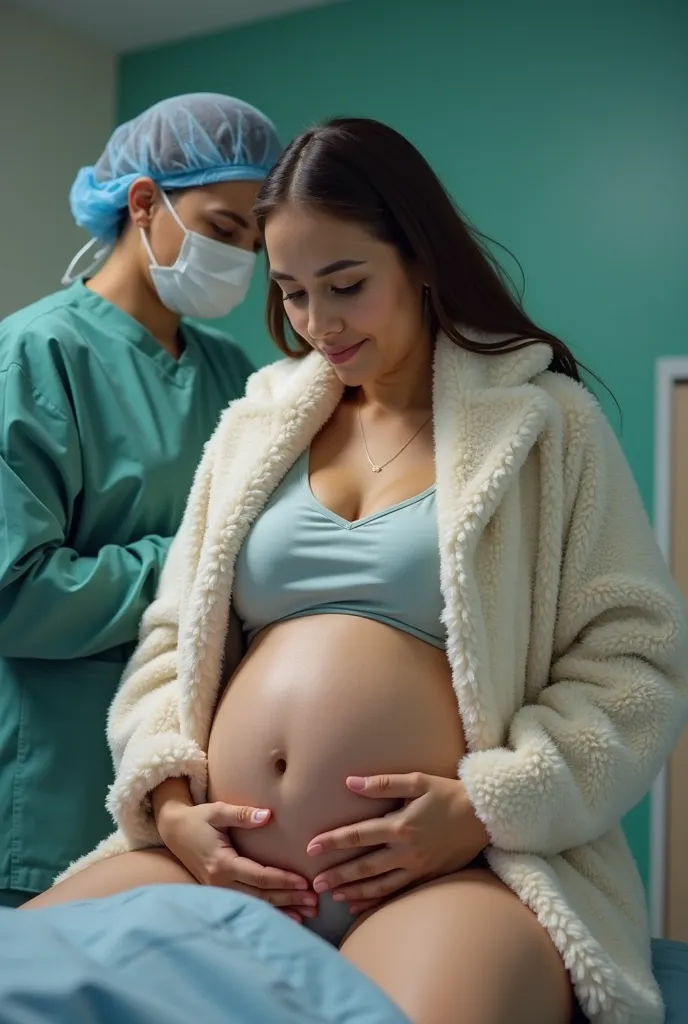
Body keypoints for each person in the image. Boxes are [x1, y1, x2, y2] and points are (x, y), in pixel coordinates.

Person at [24, 118, 688, 1024]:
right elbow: (172, 641)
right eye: (292, 293)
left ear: (418, 259)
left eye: (346, 285)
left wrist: (484, 809)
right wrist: (172, 805)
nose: (317, 325)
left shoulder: (545, 422)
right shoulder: (256, 427)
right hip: (222, 865)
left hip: (448, 873)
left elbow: (633, 661)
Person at [0, 92, 281, 907]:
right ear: (144, 201)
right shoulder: (35, 355)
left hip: (191, 786)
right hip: (56, 782)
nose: (239, 260)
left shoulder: (234, 372)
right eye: (224, 230)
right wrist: (198, 564)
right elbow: (16, 593)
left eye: (254, 246)